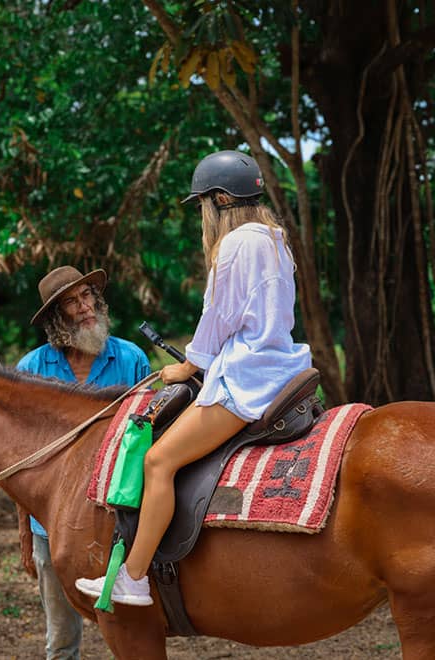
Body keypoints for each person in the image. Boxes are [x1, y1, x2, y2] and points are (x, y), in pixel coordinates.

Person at [74, 150, 312, 606]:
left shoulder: (237, 244)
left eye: (203, 203)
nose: (203, 213)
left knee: (158, 462)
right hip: (281, 367)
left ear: (220, 199)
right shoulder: (276, 240)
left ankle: (134, 577)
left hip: (247, 378)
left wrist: (186, 367)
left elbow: (218, 317)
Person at [16, 265, 151, 659]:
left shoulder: (131, 359)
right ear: (56, 318)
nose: (86, 306)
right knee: (60, 638)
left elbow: (149, 438)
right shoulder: (32, 370)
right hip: (50, 526)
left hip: (119, 521)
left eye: (88, 295)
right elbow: (22, 464)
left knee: (130, 630)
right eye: (72, 302)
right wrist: (25, 534)